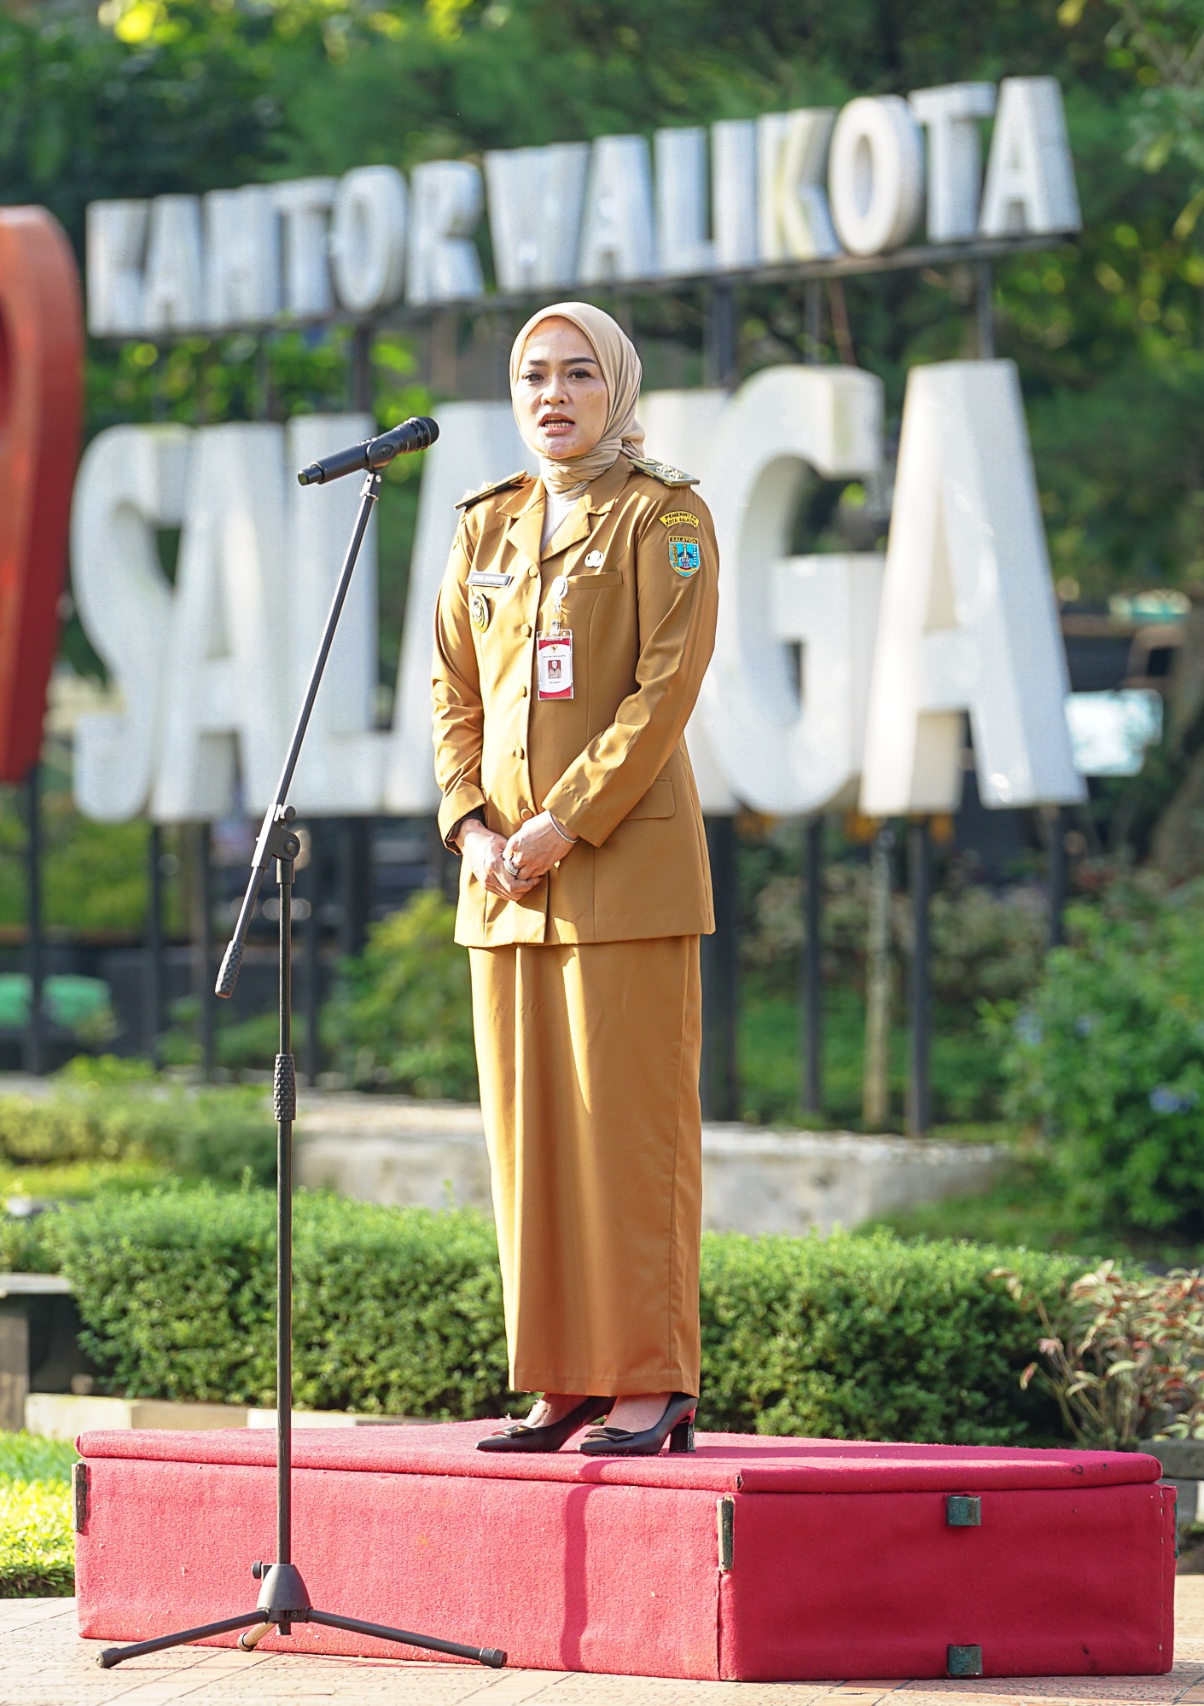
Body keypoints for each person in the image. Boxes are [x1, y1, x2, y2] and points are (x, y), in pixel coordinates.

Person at [431, 301, 720, 1457]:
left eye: (578, 374)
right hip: (501, 887)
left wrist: (559, 822)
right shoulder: (485, 527)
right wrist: (470, 828)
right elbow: (453, 692)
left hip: (621, 872)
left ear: (620, 390)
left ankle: (650, 1382)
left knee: (631, 1136)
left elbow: (663, 694)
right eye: (532, 375)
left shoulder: (664, 515)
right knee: (532, 1143)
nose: (552, 394)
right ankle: (561, 1378)